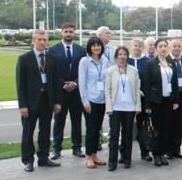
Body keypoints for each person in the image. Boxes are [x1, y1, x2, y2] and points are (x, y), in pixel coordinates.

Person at [16, 30, 62, 172]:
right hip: (30, 103)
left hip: (47, 100)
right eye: (39, 39)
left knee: (45, 131)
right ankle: (28, 160)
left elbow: (55, 81)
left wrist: (57, 102)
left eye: (44, 40)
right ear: (33, 41)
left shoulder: (51, 58)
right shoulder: (24, 59)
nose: (42, 42)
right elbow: (20, 83)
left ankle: (43, 157)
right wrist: (22, 105)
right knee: (28, 132)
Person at [49, 22, 86, 159]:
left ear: (74, 33)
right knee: (59, 121)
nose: (69, 34)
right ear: (61, 32)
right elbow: (51, 71)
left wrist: (75, 83)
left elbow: (83, 71)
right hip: (61, 92)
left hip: (76, 92)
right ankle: (56, 149)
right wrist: (63, 83)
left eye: (71, 32)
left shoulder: (81, 50)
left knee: (76, 120)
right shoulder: (53, 50)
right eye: (66, 31)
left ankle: (77, 147)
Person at [143, 39, 180, 166]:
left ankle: (163, 153)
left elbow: (174, 82)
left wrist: (176, 100)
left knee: (166, 128)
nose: (163, 48)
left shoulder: (171, 63)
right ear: (156, 48)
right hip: (155, 102)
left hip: (168, 101)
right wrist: (147, 105)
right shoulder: (151, 63)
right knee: (157, 129)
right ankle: (156, 154)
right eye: (160, 46)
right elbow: (146, 86)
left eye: (165, 46)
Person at [105, 46, 141, 171]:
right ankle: (112, 162)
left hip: (130, 107)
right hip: (115, 107)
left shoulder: (133, 70)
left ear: (127, 56)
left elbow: (137, 90)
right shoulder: (110, 71)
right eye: (120, 54)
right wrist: (109, 107)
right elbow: (107, 90)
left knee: (128, 135)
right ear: (116, 56)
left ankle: (127, 159)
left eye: (124, 54)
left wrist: (137, 107)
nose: (122, 56)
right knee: (114, 135)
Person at [78, 36, 110, 169]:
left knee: (97, 129)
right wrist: (85, 101)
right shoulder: (85, 61)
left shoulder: (105, 61)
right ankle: (89, 157)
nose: (96, 47)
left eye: (98, 45)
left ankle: (95, 155)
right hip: (90, 100)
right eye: (93, 45)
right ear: (89, 47)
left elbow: (108, 80)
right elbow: (82, 82)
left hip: (102, 100)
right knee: (91, 129)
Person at [127, 38, 152, 161]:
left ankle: (145, 152)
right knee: (127, 126)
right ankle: (126, 154)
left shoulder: (147, 61)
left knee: (143, 126)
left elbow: (149, 81)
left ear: (143, 48)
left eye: (139, 46)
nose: (137, 47)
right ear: (131, 46)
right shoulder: (126, 60)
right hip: (127, 99)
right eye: (135, 45)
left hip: (143, 98)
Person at [167, 38, 182, 158]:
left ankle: (177, 149)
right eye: (174, 46)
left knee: (179, 125)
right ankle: (169, 150)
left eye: (179, 46)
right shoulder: (165, 60)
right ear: (170, 47)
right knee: (170, 124)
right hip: (170, 98)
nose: (177, 48)